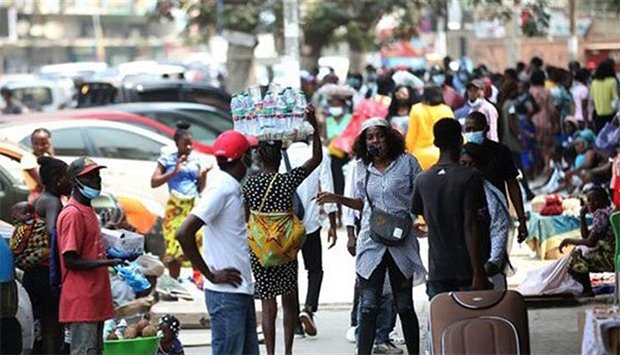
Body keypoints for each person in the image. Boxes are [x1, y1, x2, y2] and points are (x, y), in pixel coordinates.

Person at [317, 117, 426, 355]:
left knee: (405, 305)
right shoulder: (360, 167)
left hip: (402, 241)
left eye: (379, 135)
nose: (375, 140)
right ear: (364, 142)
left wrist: (420, 221)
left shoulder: (407, 163)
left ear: (389, 137)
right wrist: (338, 202)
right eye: (370, 137)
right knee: (368, 306)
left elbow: (422, 195)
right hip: (371, 241)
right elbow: (360, 203)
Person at [242, 107, 322, 355]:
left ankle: (271, 354)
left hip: (261, 251)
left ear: (259, 158)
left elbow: (245, 216)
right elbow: (316, 159)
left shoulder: (250, 183)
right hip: (286, 248)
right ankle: (288, 351)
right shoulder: (287, 180)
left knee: (268, 306)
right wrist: (315, 129)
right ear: (279, 158)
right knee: (289, 302)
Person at [176, 130, 259, 355]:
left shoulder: (228, 185)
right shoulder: (221, 188)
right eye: (250, 154)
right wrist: (210, 275)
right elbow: (184, 233)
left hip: (238, 290)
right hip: (226, 293)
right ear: (243, 158)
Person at [411, 118, 490, 299]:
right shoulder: (471, 177)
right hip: (467, 269)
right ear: (460, 141)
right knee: (470, 324)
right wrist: (479, 271)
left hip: (438, 269)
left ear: (436, 143)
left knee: (443, 324)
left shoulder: (422, 180)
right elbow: (471, 225)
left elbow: (417, 215)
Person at [57, 157, 123, 355]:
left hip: (96, 297)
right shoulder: (73, 214)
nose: (96, 181)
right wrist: (108, 262)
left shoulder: (88, 210)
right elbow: (71, 260)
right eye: (89, 178)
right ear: (74, 182)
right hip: (82, 299)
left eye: (97, 176)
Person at [279, 140, 338, 337]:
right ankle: (309, 308)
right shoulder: (319, 154)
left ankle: (294, 323)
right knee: (314, 269)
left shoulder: (282, 156)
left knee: (290, 273)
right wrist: (332, 222)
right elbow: (326, 188)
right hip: (310, 224)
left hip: (287, 225)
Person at [21, 157, 71, 354]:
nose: (71, 182)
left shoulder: (42, 198)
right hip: (45, 274)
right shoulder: (52, 202)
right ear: (58, 178)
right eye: (68, 178)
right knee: (52, 327)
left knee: (45, 325)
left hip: (36, 274)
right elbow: (52, 232)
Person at [151, 122, 207, 280]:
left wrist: (203, 177)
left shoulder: (195, 160)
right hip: (175, 206)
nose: (189, 147)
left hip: (192, 204)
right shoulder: (167, 160)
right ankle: (174, 282)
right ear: (177, 144)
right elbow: (154, 182)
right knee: (174, 244)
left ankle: (198, 280)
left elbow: (199, 188)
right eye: (185, 144)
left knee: (196, 241)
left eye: (191, 144)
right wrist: (174, 171)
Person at [460, 143, 512, 289]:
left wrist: (491, 264)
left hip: (487, 262)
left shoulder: (491, 195)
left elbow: (499, 228)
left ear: (481, 167)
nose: (468, 169)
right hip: (459, 267)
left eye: (472, 164)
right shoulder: (453, 191)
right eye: (463, 164)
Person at [559, 187, 615, 295]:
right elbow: (586, 236)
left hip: (610, 256)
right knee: (579, 250)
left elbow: (590, 242)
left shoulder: (601, 214)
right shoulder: (607, 211)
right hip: (613, 253)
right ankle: (586, 289)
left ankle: (587, 290)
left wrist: (568, 240)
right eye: (589, 201)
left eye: (596, 200)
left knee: (576, 256)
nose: (591, 204)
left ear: (604, 201)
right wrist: (582, 216)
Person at [499, 80, 536, 200]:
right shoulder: (511, 106)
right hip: (513, 142)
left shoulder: (505, 104)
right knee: (519, 168)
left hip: (507, 141)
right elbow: (512, 124)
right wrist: (519, 137)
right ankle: (527, 191)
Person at [406, 85, 455, 170]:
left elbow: (411, 136)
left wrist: (407, 154)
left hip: (420, 157)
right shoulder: (447, 110)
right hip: (443, 157)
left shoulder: (416, 109)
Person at [530, 70, 559, 173]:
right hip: (545, 121)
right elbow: (552, 110)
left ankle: (535, 168)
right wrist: (555, 123)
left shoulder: (530, 91)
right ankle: (547, 166)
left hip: (532, 121)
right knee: (547, 147)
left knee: (534, 146)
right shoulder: (547, 92)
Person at [21, 128, 55, 203]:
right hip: (37, 198)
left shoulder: (47, 156)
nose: (39, 147)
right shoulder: (28, 158)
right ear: (31, 143)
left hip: (47, 195)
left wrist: (51, 153)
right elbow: (43, 183)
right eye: (35, 143)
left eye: (44, 143)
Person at [591, 60, 618, 133]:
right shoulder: (612, 81)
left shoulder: (594, 83)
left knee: (600, 137)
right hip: (610, 115)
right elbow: (615, 99)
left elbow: (592, 99)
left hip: (598, 115)